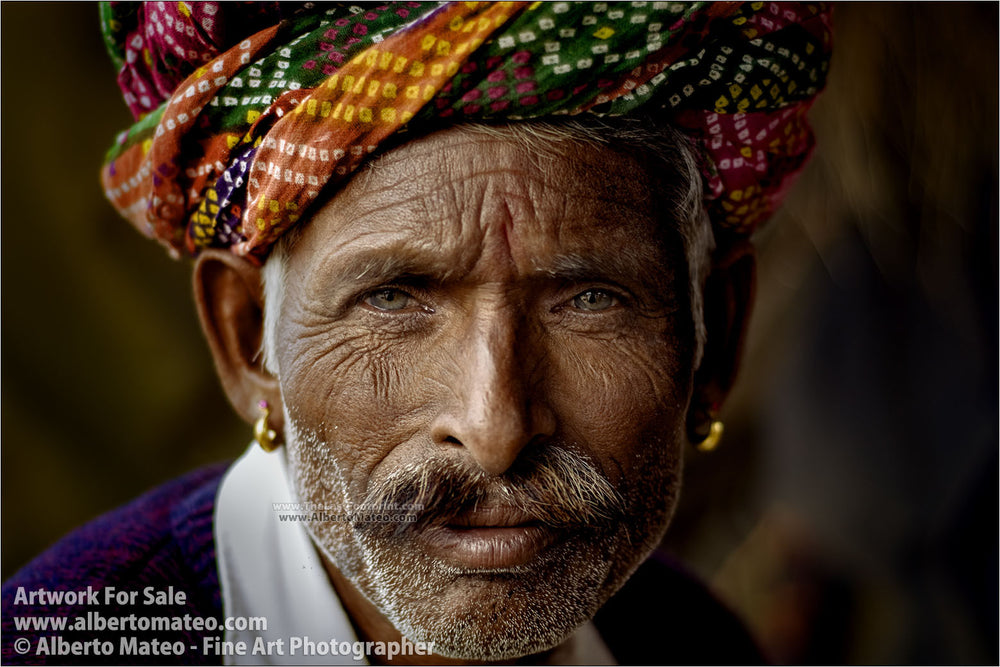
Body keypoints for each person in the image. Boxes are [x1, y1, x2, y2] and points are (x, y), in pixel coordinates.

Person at [2, 2, 831, 664]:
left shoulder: (689, 641)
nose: (497, 427)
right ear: (248, 338)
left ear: (714, 338)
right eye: (394, 298)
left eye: (589, 299)